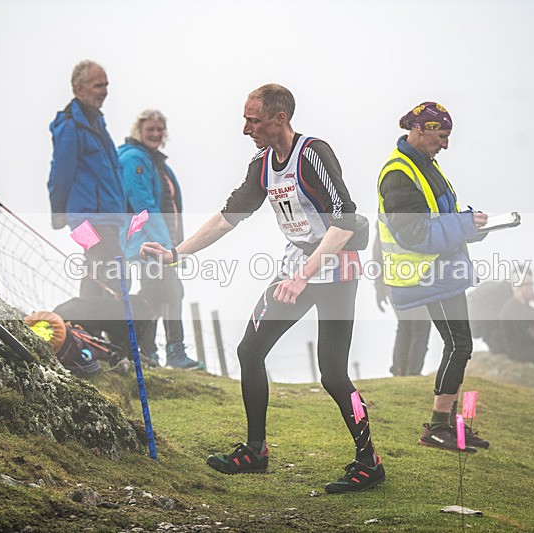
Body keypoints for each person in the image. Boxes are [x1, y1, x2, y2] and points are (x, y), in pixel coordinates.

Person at [141, 84, 385, 493]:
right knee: (250, 350)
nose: (245, 128)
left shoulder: (313, 154)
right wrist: (175, 254)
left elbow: (345, 221)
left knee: (333, 374)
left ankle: (369, 462)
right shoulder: (262, 165)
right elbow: (227, 217)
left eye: (253, 120)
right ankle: (255, 451)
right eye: (245, 118)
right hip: (297, 268)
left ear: (279, 119)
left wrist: (302, 275)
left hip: (336, 269)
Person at [377, 102, 489, 453]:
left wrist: (471, 224)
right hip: (425, 273)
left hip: (440, 270)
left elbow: (442, 217)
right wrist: (464, 226)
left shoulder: (425, 165)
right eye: (442, 136)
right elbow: (414, 233)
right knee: (459, 345)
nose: (445, 144)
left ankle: (451, 426)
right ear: (421, 129)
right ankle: (438, 427)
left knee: (459, 345)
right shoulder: (399, 173)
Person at [117, 109, 200, 370]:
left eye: (159, 129)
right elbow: (144, 204)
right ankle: (164, 352)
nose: (155, 134)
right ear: (138, 131)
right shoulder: (134, 160)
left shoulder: (156, 162)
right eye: (149, 129)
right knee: (168, 291)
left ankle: (150, 352)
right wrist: (167, 247)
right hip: (148, 243)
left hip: (159, 242)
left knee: (159, 293)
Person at [47, 59, 127, 298]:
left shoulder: (96, 121)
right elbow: (60, 173)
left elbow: (110, 172)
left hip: (107, 217)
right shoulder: (70, 125)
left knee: (97, 271)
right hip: (84, 219)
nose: (104, 92)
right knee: (115, 270)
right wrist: (57, 212)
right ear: (78, 88)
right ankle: (99, 326)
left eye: (106, 85)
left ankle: (85, 327)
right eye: (97, 86)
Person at [373, 234, 432, 376]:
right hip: (418, 282)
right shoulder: (418, 216)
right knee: (420, 327)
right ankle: (412, 371)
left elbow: (377, 257)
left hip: (393, 285)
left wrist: (379, 288)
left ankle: (400, 369)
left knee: (405, 326)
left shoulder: (384, 220)